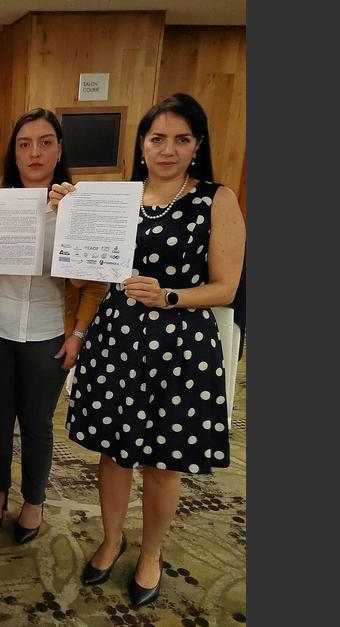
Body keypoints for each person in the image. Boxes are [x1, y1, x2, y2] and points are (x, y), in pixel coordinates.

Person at [56, 93, 245, 608]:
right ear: (142, 144)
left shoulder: (215, 198)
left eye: (182, 139)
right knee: (114, 452)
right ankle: (113, 538)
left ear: (197, 145)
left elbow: (226, 287)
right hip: (117, 336)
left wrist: (169, 296)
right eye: (158, 138)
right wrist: (70, 215)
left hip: (180, 343)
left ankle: (151, 553)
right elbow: (86, 270)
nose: (168, 149)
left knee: (165, 460)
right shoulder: (116, 197)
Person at [0, 109, 109, 544]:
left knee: (38, 423)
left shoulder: (78, 204)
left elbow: (94, 283)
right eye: (25, 143)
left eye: (45, 142)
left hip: (49, 332)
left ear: (59, 149)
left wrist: (78, 334)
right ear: (14, 152)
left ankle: (35, 501)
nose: (35, 152)